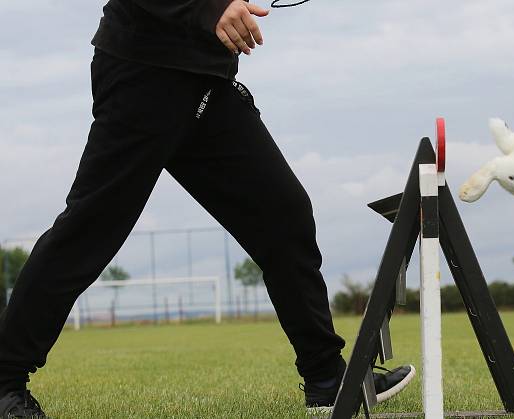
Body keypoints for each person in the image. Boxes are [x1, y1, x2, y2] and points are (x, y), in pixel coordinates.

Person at [0, 1, 414, 417]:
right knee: (88, 233)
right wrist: (211, 7)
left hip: (206, 81)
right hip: (144, 73)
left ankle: (327, 380)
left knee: (283, 216)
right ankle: (4, 382)